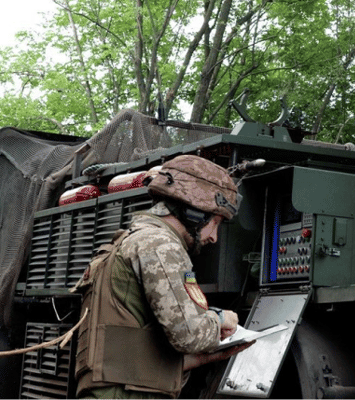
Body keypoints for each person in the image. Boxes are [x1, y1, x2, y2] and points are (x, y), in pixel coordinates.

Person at [74, 154, 250, 400]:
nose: (214, 237)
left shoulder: (134, 239)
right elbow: (188, 334)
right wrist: (220, 319)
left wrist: (204, 358)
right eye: (215, 222)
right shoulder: (160, 244)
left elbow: (129, 353)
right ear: (195, 213)